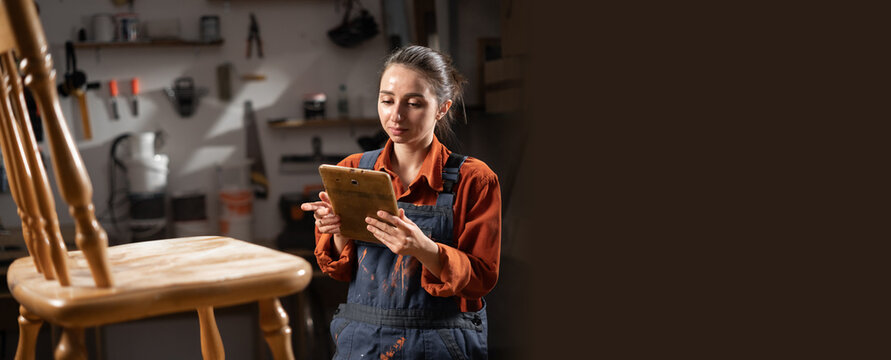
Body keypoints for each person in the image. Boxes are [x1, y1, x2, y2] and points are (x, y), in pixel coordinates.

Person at [301, 45, 501, 359]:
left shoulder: (474, 180)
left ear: (442, 108)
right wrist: (337, 229)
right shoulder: (352, 170)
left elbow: (480, 280)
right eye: (387, 100)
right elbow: (339, 270)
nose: (396, 115)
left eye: (414, 103)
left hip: (441, 344)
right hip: (364, 343)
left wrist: (423, 248)